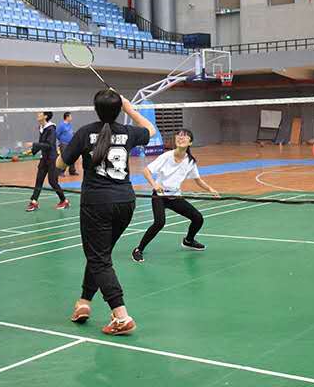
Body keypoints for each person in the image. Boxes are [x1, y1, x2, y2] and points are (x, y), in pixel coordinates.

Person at [58, 89, 155, 336]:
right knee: (99, 254)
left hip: (97, 204)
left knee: (99, 258)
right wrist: (130, 109)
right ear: (118, 109)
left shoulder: (84, 133)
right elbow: (150, 130)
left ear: (96, 109)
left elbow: (60, 165)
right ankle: (84, 302)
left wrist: (64, 151)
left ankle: (121, 316)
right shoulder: (129, 132)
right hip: (126, 202)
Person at [131, 129, 218, 263]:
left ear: (190, 142)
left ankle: (188, 240)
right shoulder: (166, 156)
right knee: (159, 223)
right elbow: (146, 170)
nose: (180, 138)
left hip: (175, 197)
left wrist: (210, 189)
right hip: (160, 196)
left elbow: (198, 180)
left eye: (185, 136)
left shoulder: (190, 161)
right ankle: (138, 249)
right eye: (179, 135)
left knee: (198, 218)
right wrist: (154, 184)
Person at [26, 111, 69, 212]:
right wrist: (32, 150)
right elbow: (42, 143)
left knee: (52, 181)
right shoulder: (42, 128)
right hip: (44, 158)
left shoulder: (51, 129)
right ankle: (34, 202)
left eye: (40, 113)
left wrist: (33, 144)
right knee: (39, 180)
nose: (38, 114)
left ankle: (64, 200)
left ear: (45, 116)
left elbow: (49, 145)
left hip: (52, 159)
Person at [56, 112, 79, 176]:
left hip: (70, 144)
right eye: (70, 116)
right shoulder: (61, 125)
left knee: (72, 156)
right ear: (67, 117)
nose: (71, 118)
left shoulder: (69, 125)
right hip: (64, 144)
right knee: (64, 158)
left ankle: (72, 171)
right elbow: (57, 134)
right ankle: (61, 172)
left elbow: (70, 132)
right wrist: (62, 141)